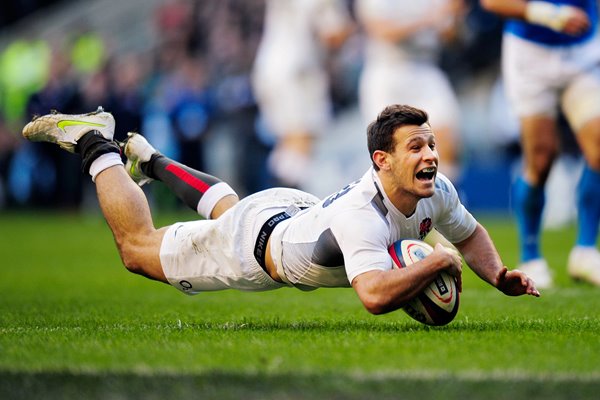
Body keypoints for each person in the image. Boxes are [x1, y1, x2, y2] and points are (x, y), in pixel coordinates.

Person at [22, 104, 539, 315]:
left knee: (229, 208)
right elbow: (375, 296)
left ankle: (151, 160)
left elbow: (468, 234)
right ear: (382, 161)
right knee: (136, 249)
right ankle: (95, 141)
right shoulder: (364, 215)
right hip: (254, 247)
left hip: (293, 213)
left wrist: (498, 275)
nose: (430, 155)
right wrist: (436, 261)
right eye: (416, 147)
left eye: (431, 145)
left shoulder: (436, 188)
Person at [481, 0, 600, 288]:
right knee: (542, 159)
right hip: (530, 54)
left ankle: (585, 249)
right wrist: (549, 14)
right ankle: (531, 255)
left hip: (583, 49)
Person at [355, 0, 466, 184]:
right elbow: (382, 31)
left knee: (446, 143)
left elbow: (451, 37)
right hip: (387, 70)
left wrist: (453, 18)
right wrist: (429, 19)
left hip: (426, 67)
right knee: (390, 151)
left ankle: (440, 204)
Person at [252, 0, 354, 188]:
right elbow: (333, 34)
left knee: (289, 144)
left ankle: (272, 201)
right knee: (303, 143)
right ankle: (291, 206)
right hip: (299, 72)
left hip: (269, 68)